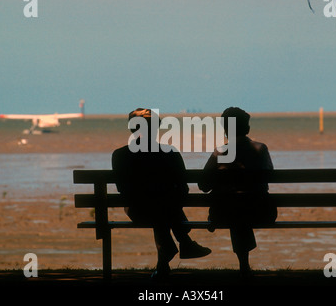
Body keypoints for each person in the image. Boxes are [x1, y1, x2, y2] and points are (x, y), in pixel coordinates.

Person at [112, 108, 211, 280]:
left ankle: (167, 260)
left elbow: (122, 188)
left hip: (138, 211)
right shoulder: (170, 153)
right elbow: (183, 188)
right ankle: (184, 243)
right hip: (168, 210)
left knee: (157, 208)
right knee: (162, 205)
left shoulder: (120, 155)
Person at [198, 107, 277, 278]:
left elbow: (203, 185)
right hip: (262, 211)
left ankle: (244, 265)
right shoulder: (261, 149)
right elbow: (269, 175)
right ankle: (244, 266)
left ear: (225, 130)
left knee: (235, 206)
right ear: (247, 128)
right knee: (241, 205)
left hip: (225, 213)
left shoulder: (220, 152)